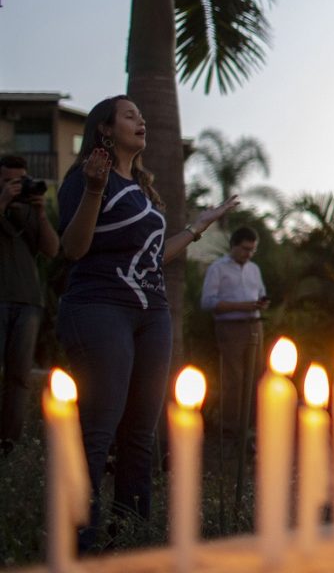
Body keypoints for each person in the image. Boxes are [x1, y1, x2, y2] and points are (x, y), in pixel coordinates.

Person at [56, 96, 235, 549]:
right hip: (100, 306)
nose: (142, 120)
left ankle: (133, 542)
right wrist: (95, 191)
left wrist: (199, 226)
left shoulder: (141, 190)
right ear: (105, 130)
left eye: (142, 113)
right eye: (131, 114)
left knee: (140, 435)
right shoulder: (85, 179)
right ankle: (82, 544)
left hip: (151, 314)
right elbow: (73, 250)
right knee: (99, 429)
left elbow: (154, 256)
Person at [0, 154, 59, 452]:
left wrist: (41, 214)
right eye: (10, 180)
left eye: (20, 180)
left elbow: (52, 249)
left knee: (20, 376)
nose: (17, 186)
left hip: (28, 302)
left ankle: (8, 442)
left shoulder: (28, 212)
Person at [200, 226, 268, 440]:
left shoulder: (254, 268)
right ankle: (231, 428)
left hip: (255, 324)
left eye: (252, 250)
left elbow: (261, 292)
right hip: (230, 327)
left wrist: (260, 303)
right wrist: (241, 306)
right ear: (234, 246)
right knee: (234, 378)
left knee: (255, 375)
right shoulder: (217, 268)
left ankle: (252, 426)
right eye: (245, 249)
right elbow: (207, 302)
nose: (248, 254)